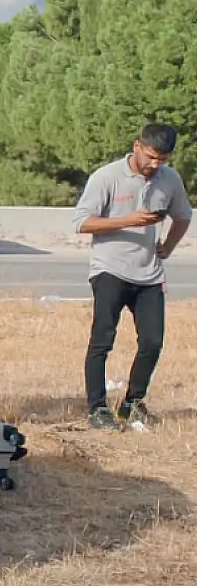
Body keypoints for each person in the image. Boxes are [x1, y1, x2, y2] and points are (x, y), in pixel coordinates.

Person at [74, 122, 193, 429]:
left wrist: (168, 246)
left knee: (152, 342)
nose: (155, 164)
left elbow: (183, 216)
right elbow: (82, 223)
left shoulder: (170, 179)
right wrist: (127, 220)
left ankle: (132, 403)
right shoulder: (107, 177)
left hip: (149, 274)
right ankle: (97, 409)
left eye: (163, 159)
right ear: (137, 146)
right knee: (103, 339)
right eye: (151, 157)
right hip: (110, 269)